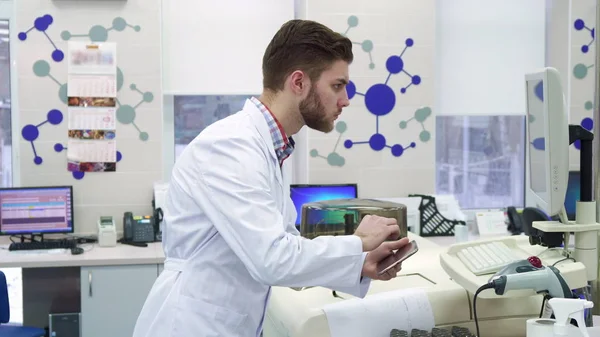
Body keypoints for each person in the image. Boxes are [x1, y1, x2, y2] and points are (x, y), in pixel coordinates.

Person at [132, 19, 411, 337]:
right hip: (192, 325)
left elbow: (288, 253)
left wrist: (360, 264)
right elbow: (273, 260)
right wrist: (358, 242)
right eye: (337, 85)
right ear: (298, 83)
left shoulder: (270, 149)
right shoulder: (231, 146)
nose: (346, 99)